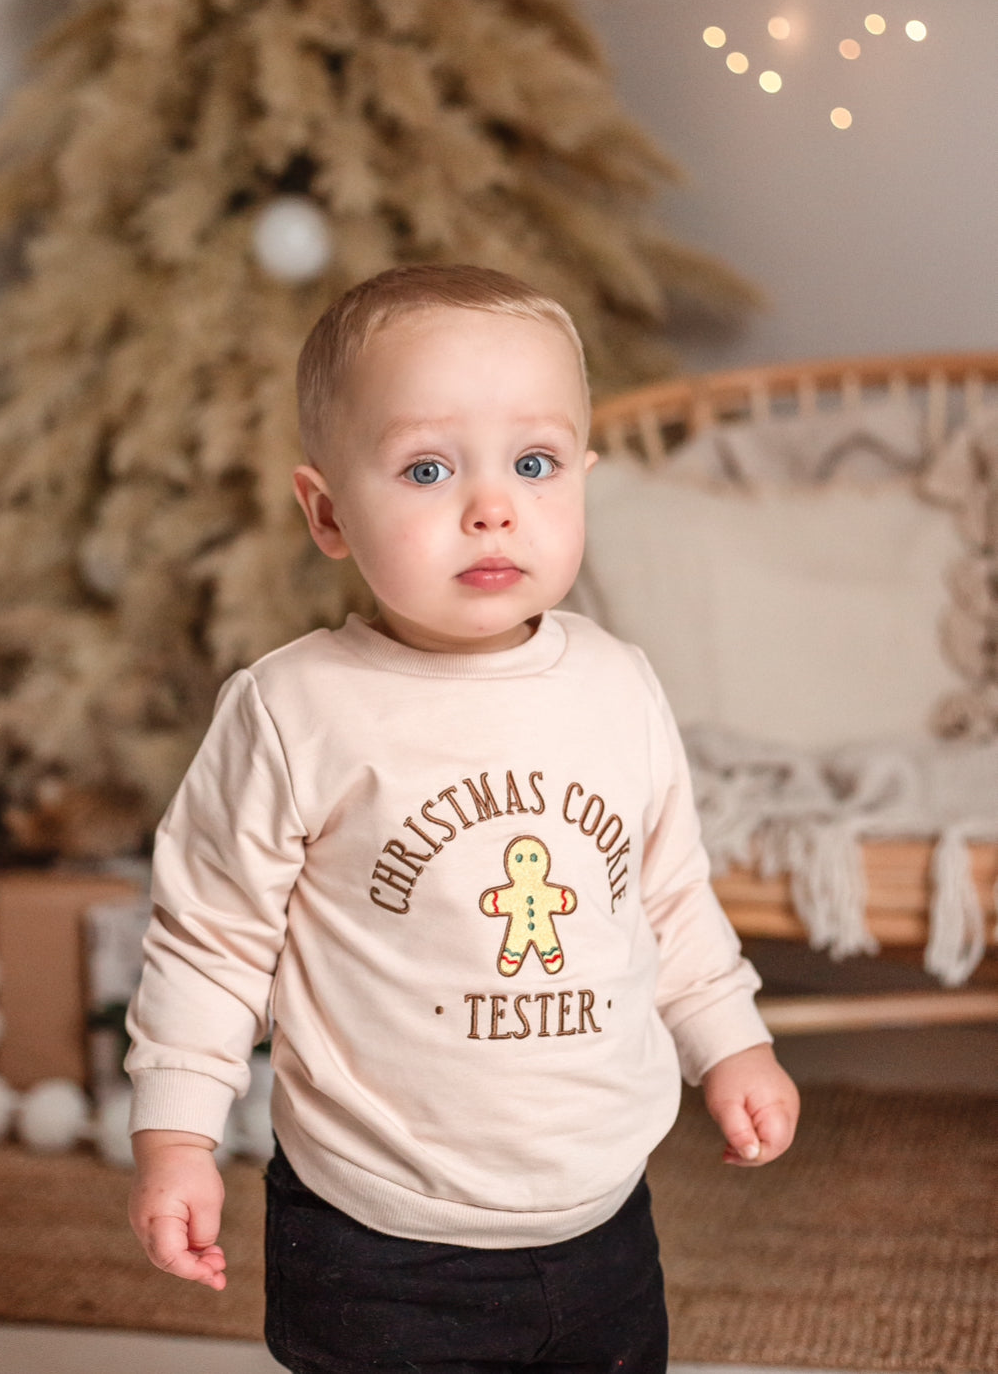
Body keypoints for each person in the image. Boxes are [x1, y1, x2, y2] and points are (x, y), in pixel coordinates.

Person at [126, 263, 800, 1374]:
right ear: (328, 512)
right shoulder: (297, 710)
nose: (492, 505)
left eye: (533, 464)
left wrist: (730, 1040)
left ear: (581, 481)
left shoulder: (617, 686)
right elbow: (211, 938)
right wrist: (176, 1135)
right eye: (428, 468)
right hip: (376, 1235)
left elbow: (669, 894)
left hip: (600, 1217)